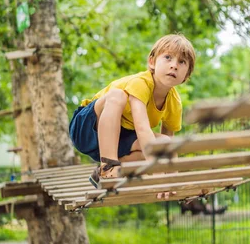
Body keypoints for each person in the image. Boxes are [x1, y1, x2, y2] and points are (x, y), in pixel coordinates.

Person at [69, 34, 195, 196]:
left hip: (119, 138)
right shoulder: (142, 83)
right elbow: (142, 129)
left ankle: (101, 174)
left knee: (163, 142)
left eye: (181, 62)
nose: (174, 66)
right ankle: (108, 166)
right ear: (152, 62)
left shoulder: (174, 102)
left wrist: (170, 181)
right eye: (168, 57)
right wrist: (157, 174)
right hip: (87, 128)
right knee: (118, 95)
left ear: (187, 75)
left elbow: (166, 146)